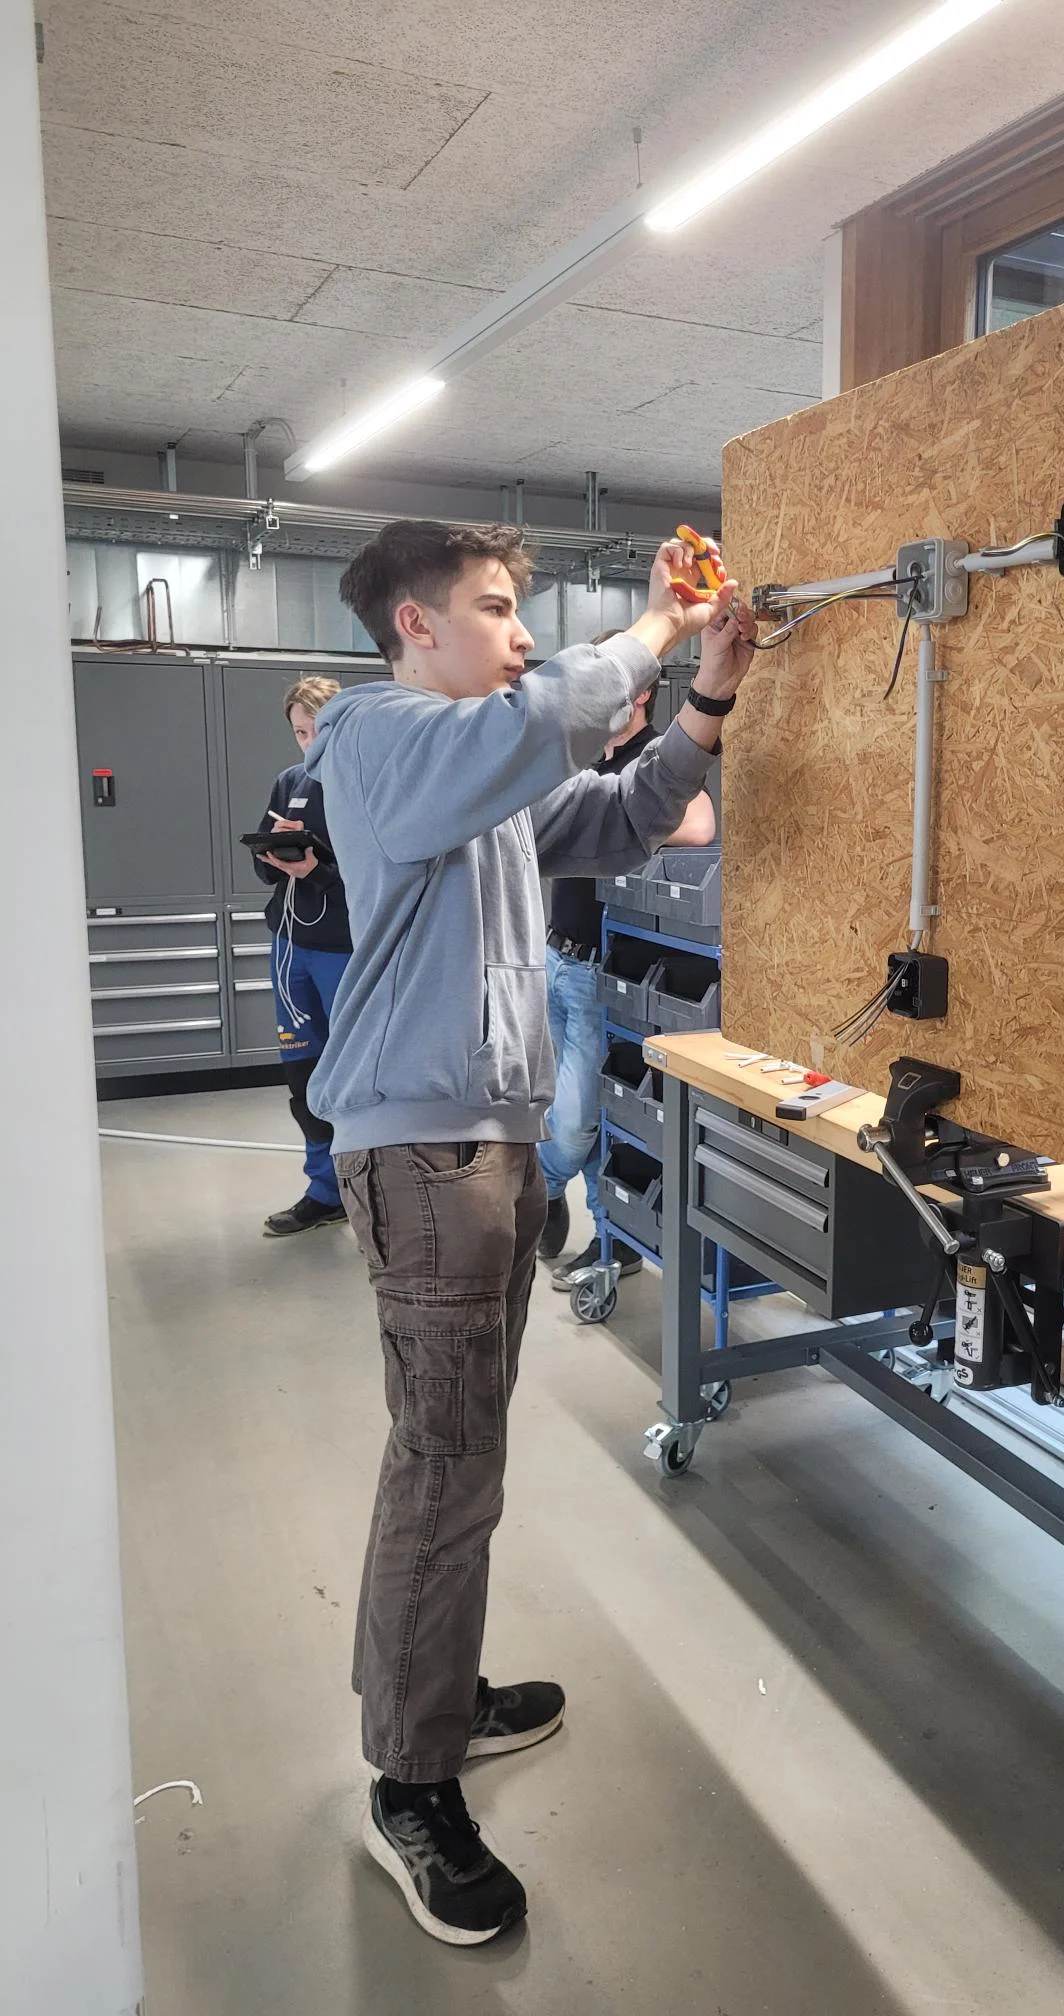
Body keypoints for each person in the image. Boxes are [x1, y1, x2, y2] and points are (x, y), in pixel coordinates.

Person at [301, 519, 755, 1945]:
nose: (517, 632)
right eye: (494, 610)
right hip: (426, 1152)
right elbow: (556, 705)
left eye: (521, 613)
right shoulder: (378, 740)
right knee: (445, 1463)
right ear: (413, 630)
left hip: (483, 1149)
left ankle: (436, 1695)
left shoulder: (478, 785)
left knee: (462, 1451)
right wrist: (658, 627)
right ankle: (410, 1782)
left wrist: (714, 694)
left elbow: (623, 814)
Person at [538, 636, 715, 1280]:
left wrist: (619, 816)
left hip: (595, 969)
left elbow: (699, 825)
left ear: (639, 695)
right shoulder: (581, 753)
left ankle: (540, 1189)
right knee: (570, 1106)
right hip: (553, 954)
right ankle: (608, 1233)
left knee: (580, 1117)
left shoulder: (652, 754)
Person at [252, 676, 353, 1237]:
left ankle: (370, 1189)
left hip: (345, 948)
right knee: (303, 1073)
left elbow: (381, 882)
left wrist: (320, 870)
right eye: (298, 732)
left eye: (316, 730)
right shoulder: (289, 782)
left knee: (352, 1075)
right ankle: (325, 1190)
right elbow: (264, 870)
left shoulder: (365, 785)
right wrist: (275, 853)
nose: (308, 742)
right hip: (292, 944)